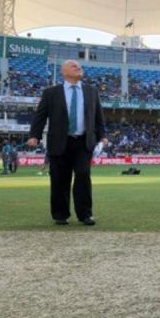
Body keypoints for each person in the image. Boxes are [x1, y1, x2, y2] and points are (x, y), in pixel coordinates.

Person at [28, 60, 108, 226]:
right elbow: (40, 116)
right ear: (64, 72)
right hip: (59, 141)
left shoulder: (91, 91)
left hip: (83, 142)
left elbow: (98, 116)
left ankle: (85, 214)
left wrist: (103, 136)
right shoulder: (51, 92)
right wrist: (34, 135)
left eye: (79, 67)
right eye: (74, 66)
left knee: (83, 175)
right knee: (59, 179)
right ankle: (60, 214)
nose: (78, 68)